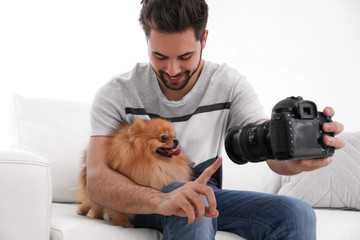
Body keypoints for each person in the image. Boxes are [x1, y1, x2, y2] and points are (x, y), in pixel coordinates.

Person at [86, 0, 345, 239]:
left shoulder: (228, 84)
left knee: (297, 213)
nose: (172, 70)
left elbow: (264, 146)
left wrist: (294, 158)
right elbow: (96, 181)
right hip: (144, 196)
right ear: (147, 42)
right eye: (160, 56)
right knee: (192, 211)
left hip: (205, 193)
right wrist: (160, 201)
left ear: (204, 39)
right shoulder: (117, 93)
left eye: (185, 57)